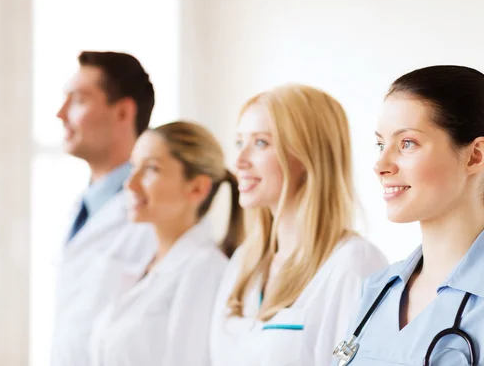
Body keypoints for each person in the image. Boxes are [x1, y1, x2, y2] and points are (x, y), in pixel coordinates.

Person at [333, 65, 484, 366]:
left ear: (475, 155)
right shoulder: (376, 290)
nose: (380, 164)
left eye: (407, 143)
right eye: (381, 144)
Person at [210, 84, 388, 366]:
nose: (239, 162)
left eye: (260, 143)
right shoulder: (245, 262)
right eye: (239, 142)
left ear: (307, 155)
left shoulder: (354, 265)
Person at [88, 121, 243, 366]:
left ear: (197, 187)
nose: (130, 184)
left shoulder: (204, 270)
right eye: (134, 167)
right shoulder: (146, 262)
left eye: (151, 169)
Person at [52, 51, 158, 366]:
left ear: (123, 112)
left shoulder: (157, 213)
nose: (60, 113)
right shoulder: (83, 207)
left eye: (78, 100)